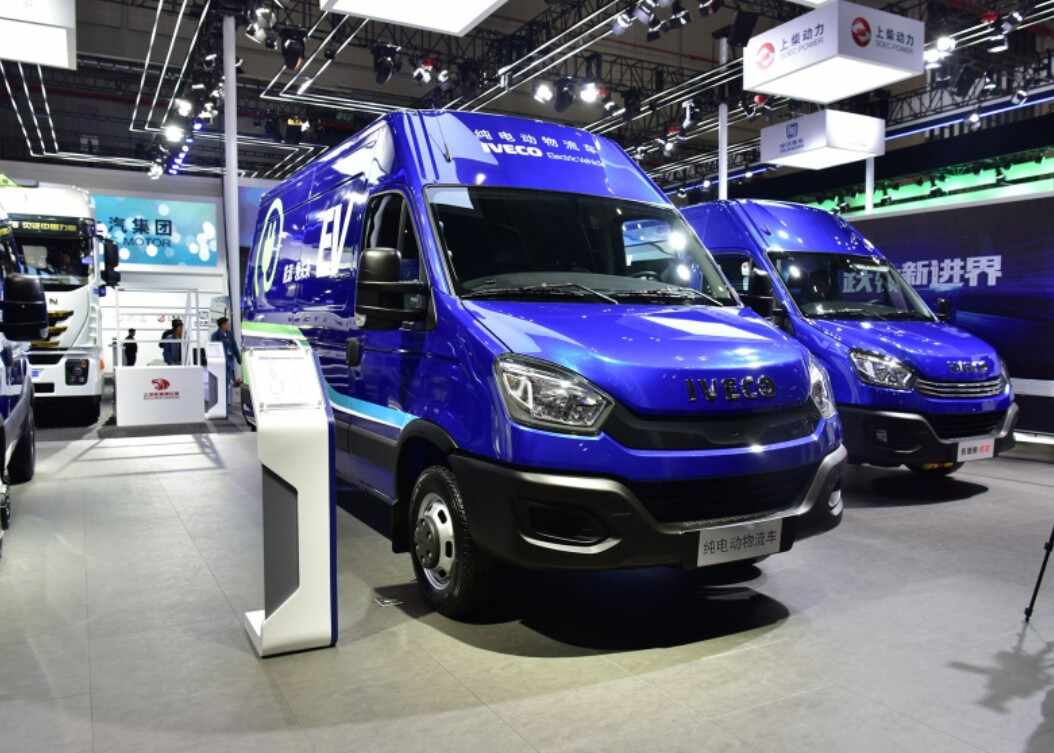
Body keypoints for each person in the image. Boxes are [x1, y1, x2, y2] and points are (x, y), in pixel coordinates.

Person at [211, 317, 241, 388]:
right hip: (221, 363)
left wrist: (238, 358)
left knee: (231, 381)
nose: (229, 325)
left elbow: (234, 346)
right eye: (227, 324)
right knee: (224, 382)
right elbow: (214, 350)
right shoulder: (215, 336)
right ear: (222, 325)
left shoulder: (230, 334)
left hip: (230, 362)